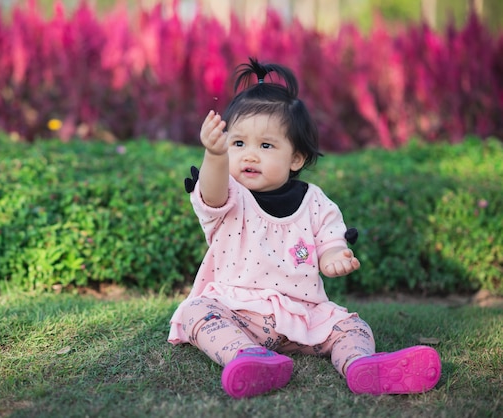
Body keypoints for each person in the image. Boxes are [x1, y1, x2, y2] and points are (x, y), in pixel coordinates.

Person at [168, 57, 441, 399]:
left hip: (302, 317)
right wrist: (214, 155)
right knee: (196, 311)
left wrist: (334, 258)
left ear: (296, 158)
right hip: (237, 311)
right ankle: (247, 357)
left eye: (265, 146)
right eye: (238, 144)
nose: (249, 156)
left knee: (351, 325)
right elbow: (210, 190)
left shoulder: (315, 202)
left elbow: (330, 241)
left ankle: (360, 364)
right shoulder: (229, 194)